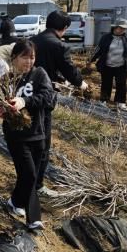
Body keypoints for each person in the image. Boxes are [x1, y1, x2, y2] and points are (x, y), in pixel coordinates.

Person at [31, 11, 89, 197]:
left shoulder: (32, 41)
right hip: (44, 98)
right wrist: (81, 83)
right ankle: (37, 185)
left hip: (26, 95)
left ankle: (28, 178)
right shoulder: (59, 45)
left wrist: (57, 78)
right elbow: (70, 70)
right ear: (64, 28)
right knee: (43, 142)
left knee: (29, 138)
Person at [0, 39, 54, 231]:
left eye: (32, 57)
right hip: (15, 135)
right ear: (14, 57)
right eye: (25, 57)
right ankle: (34, 219)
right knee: (29, 174)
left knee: (29, 176)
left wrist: (24, 101)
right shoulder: (6, 79)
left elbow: (48, 97)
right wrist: (1, 110)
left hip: (37, 133)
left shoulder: (39, 74)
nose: (29, 61)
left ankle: (15, 201)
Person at [87, 19, 127, 111]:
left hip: (121, 66)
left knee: (121, 85)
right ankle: (103, 101)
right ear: (115, 27)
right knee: (106, 84)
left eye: (124, 28)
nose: (122, 30)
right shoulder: (106, 38)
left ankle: (121, 103)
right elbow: (99, 50)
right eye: (121, 28)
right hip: (107, 65)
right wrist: (90, 60)